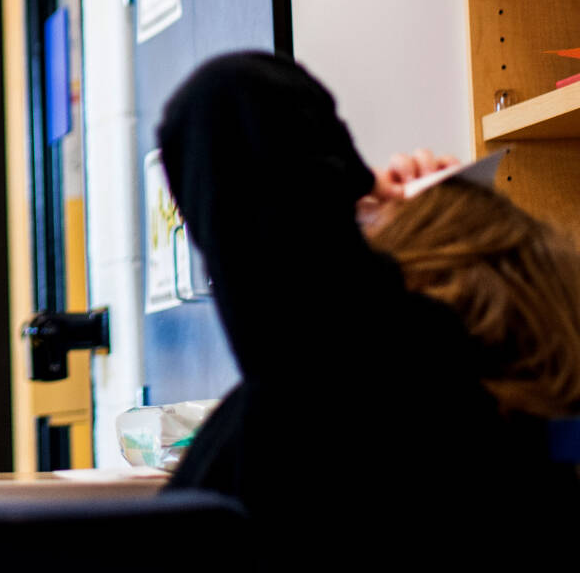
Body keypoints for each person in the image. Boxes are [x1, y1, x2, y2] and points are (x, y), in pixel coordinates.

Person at [157, 52, 580, 562]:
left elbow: (227, 100)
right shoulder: (517, 439)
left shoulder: (376, 389)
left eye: (368, 225)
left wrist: (355, 181)